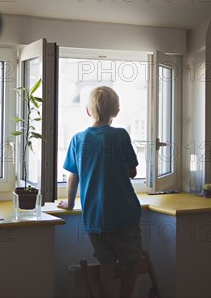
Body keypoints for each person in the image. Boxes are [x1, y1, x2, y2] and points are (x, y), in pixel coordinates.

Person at [58, 86, 142, 298]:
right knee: (132, 262)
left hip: (95, 217)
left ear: (88, 111)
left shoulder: (78, 139)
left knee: (106, 264)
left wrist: (69, 203)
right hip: (124, 214)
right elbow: (132, 172)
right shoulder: (121, 135)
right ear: (117, 111)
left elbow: (73, 176)